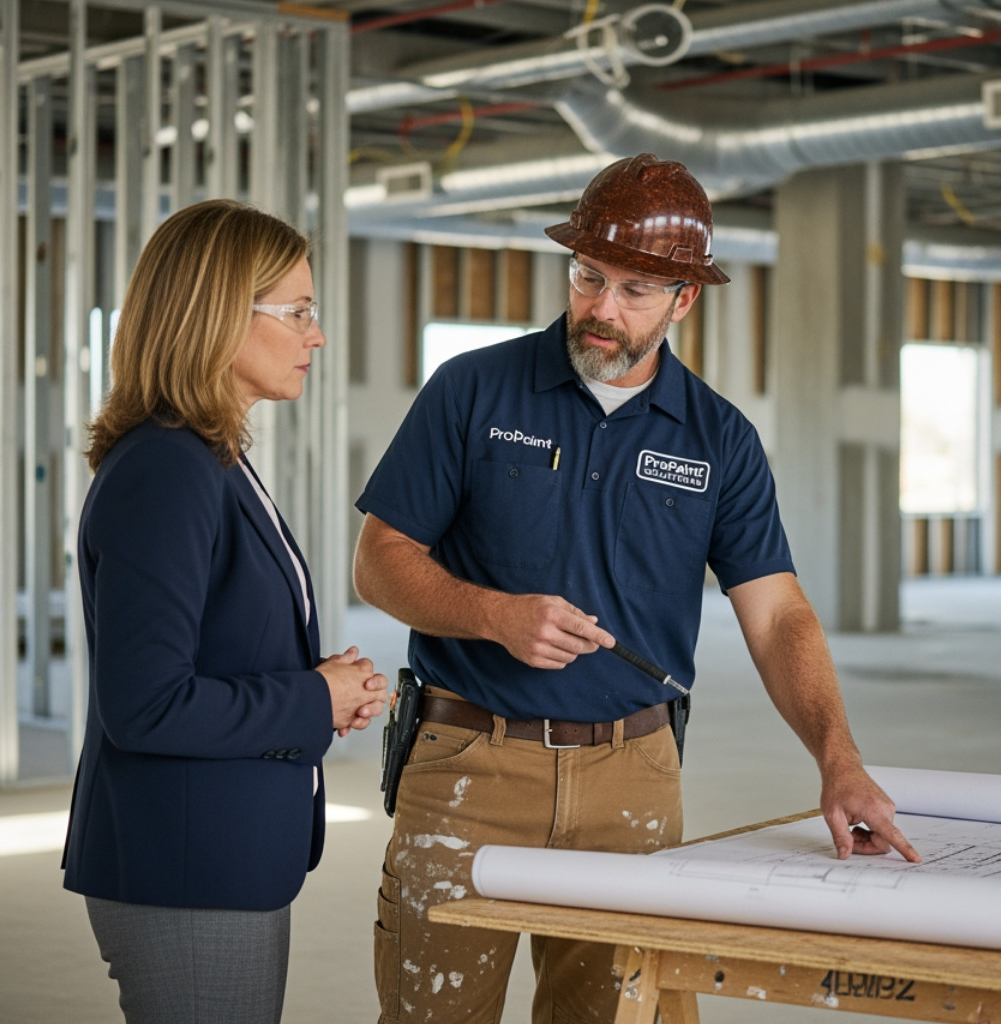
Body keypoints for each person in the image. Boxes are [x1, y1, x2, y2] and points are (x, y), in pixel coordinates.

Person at [353, 153, 919, 1024]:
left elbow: (776, 615)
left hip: (636, 776)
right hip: (468, 767)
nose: (603, 309)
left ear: (685, 299)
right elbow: (380, 558)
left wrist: (836, 757)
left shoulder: (718, 438)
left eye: (636, 290)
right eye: (589, 277)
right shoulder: (471, 389)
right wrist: (494, 615)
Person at [61, 198, 387, 1024]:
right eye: (299, 312)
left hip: (219, 855)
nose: (316, 336)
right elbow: (147, 705)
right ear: (215, 317)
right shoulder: (168, 471)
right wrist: (314, 698)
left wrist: (319, 684)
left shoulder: (211, 457)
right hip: (187, 867)